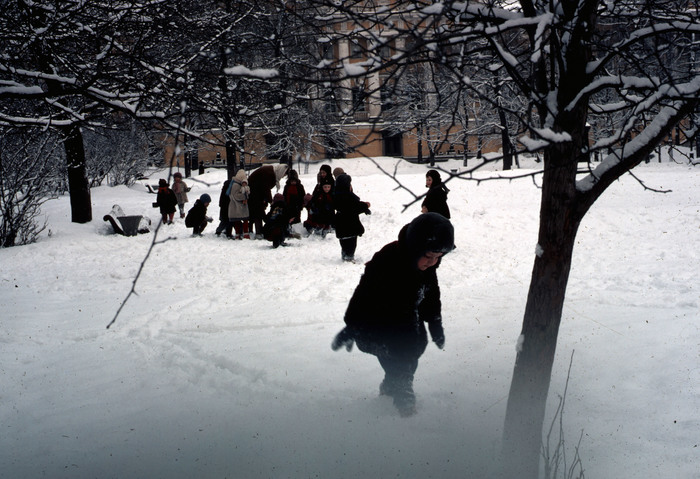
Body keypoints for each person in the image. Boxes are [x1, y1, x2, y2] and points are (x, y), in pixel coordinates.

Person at [331, 213, 455, 417]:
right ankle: (402, 392)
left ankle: (392, 385)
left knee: (409, 359)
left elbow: (431, 295)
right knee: (398, 362)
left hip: (409, 328)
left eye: (438, 258)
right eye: (429, 256)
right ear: (415, 247)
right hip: (380, 327)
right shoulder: (387, 261)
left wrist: (434, 322)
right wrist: (352, 326)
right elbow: (363, 294)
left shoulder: (425, 267)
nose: (432, 263)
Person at [333, 173, 370, 262]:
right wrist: (366, 205)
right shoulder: (349, 197)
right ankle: (349, 256)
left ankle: (345, 253)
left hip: (341, 223)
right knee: (351, 242)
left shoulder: (336, 195)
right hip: (351, 224)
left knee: (344, 241)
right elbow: (356, 207)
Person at [247, 164, 288, 239]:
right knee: (258, 212)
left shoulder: (272, 172)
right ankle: (258, 232)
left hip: (257, 193)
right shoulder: (269, 173)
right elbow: (265, 188)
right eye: (284, 174)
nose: (283, 176)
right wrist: (270, 200)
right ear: (281, 171)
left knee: (256, 212)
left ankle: (252, 230)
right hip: (254, 194)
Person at [227, 169, 251, 239]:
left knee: (238, 221)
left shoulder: (235, 183)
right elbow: (236, 195)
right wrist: (245, 196)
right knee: (241, 220)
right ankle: (243, 234)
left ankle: (240, 234)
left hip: (237, 206)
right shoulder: (236, 185)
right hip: (237, 206)